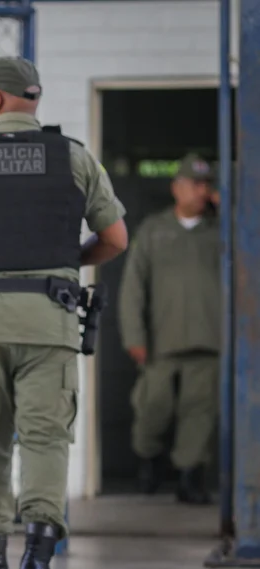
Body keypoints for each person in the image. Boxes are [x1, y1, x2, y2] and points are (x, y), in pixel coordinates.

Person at [0, 56, 128, 569]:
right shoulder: (75, 159)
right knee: (45, 440)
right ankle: (36, 562)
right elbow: (115, 240)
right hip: (50, 323)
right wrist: (63, 264)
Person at [118, 153, 221, 505]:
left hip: (209, 339)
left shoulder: (222, 230)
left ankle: (190, 479)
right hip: (160, 341)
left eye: (206, 184)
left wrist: (228, 208)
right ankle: (148, 464)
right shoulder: (154, 230)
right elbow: (133, 288)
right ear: (176, 188)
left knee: (200, 412)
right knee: (152, 407)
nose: (201, 191)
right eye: (194, 183)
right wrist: (135, 337)